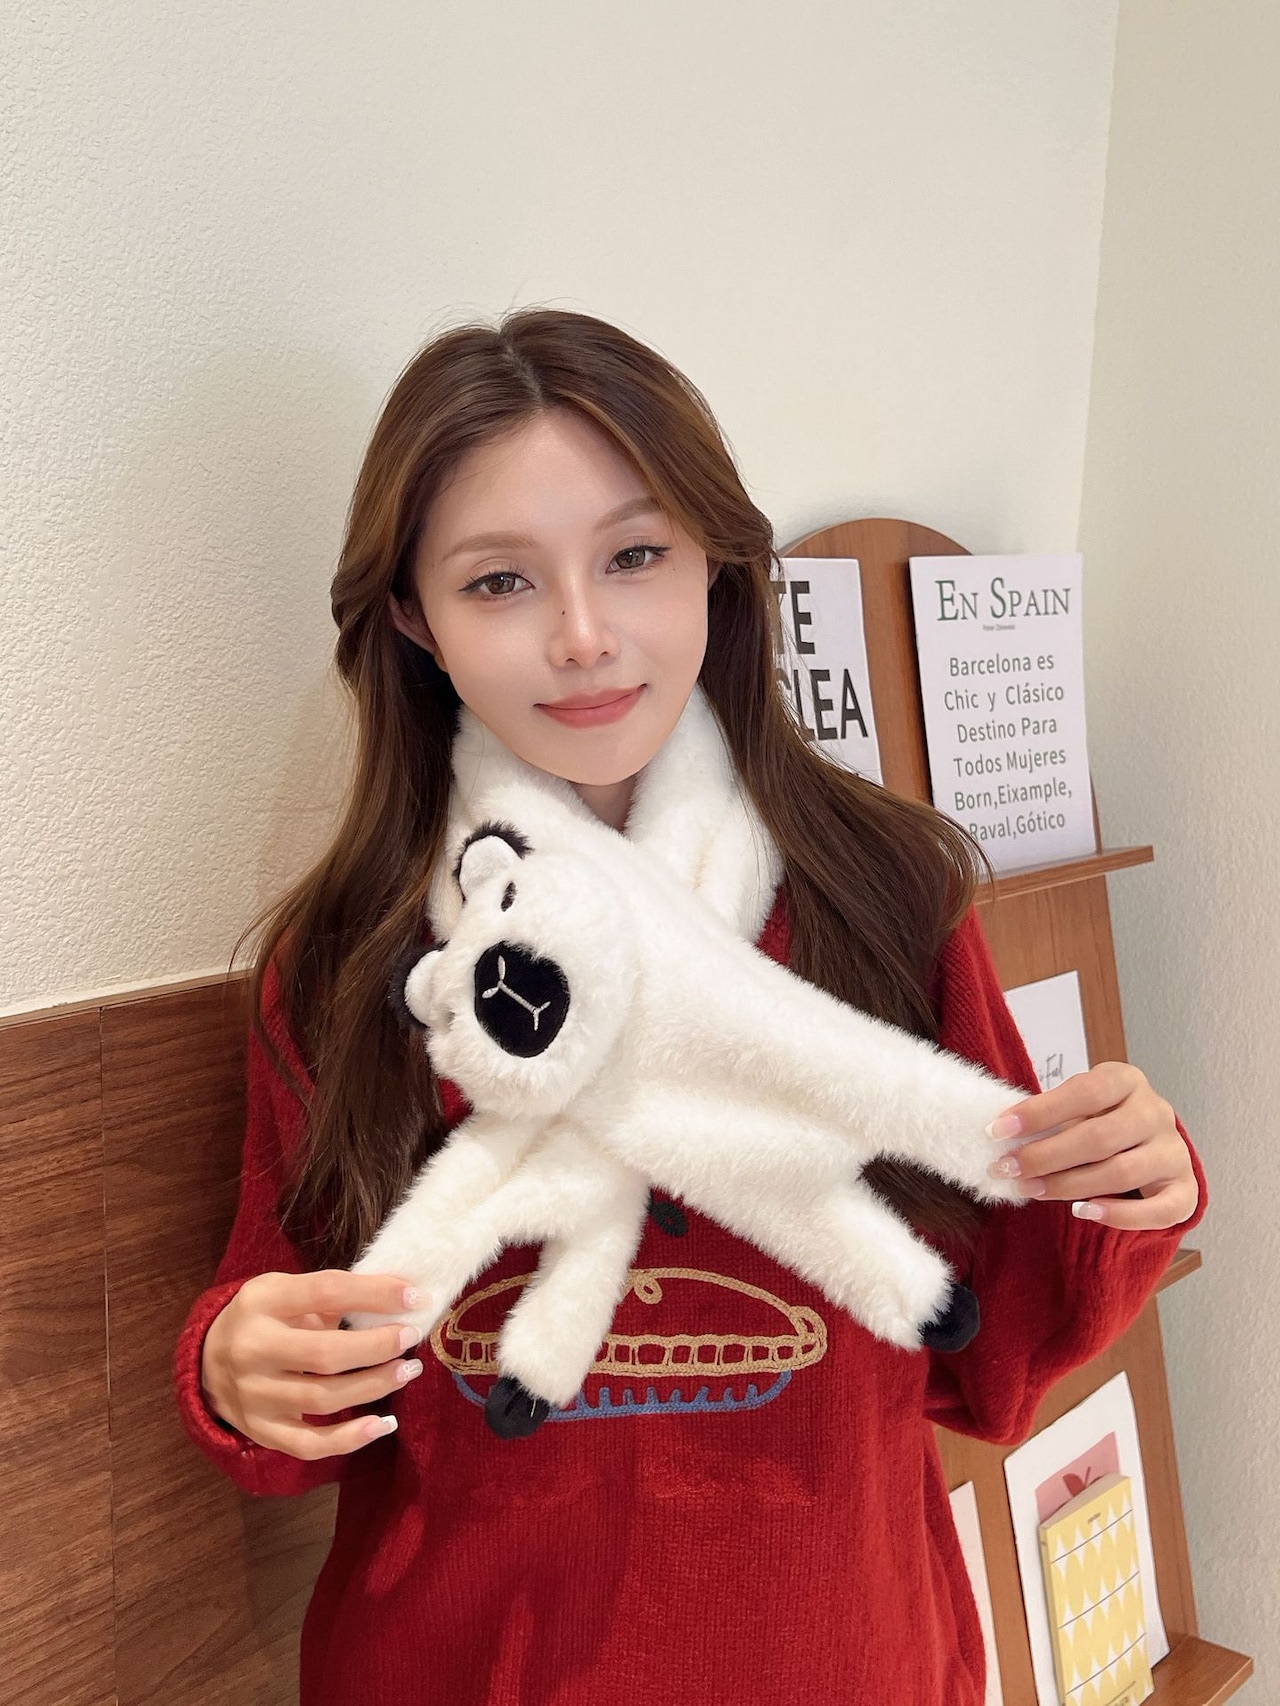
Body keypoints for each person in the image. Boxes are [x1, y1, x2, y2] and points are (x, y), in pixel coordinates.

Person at [173, 307, 1207, 1706]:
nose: (584, 635)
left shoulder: (878, 895)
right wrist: (236, 1367)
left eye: (635, 555)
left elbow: (993, 1355)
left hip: (847, 1663)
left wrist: (1126, 1182)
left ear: (717, 565)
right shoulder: (352, 957)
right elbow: (292, 1360)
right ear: (412, 617)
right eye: (499, 581)